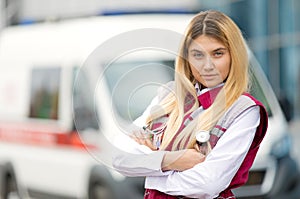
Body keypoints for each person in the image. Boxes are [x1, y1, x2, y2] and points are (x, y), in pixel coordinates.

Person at [112, 10, 268, 199]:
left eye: (217, 53)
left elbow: (208, 184)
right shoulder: (169, 96)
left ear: (234, 55)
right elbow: (120, 158)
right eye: (198, 55)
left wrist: (151, 170)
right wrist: (171, 161)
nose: (207, 65)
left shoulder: (244, 110)